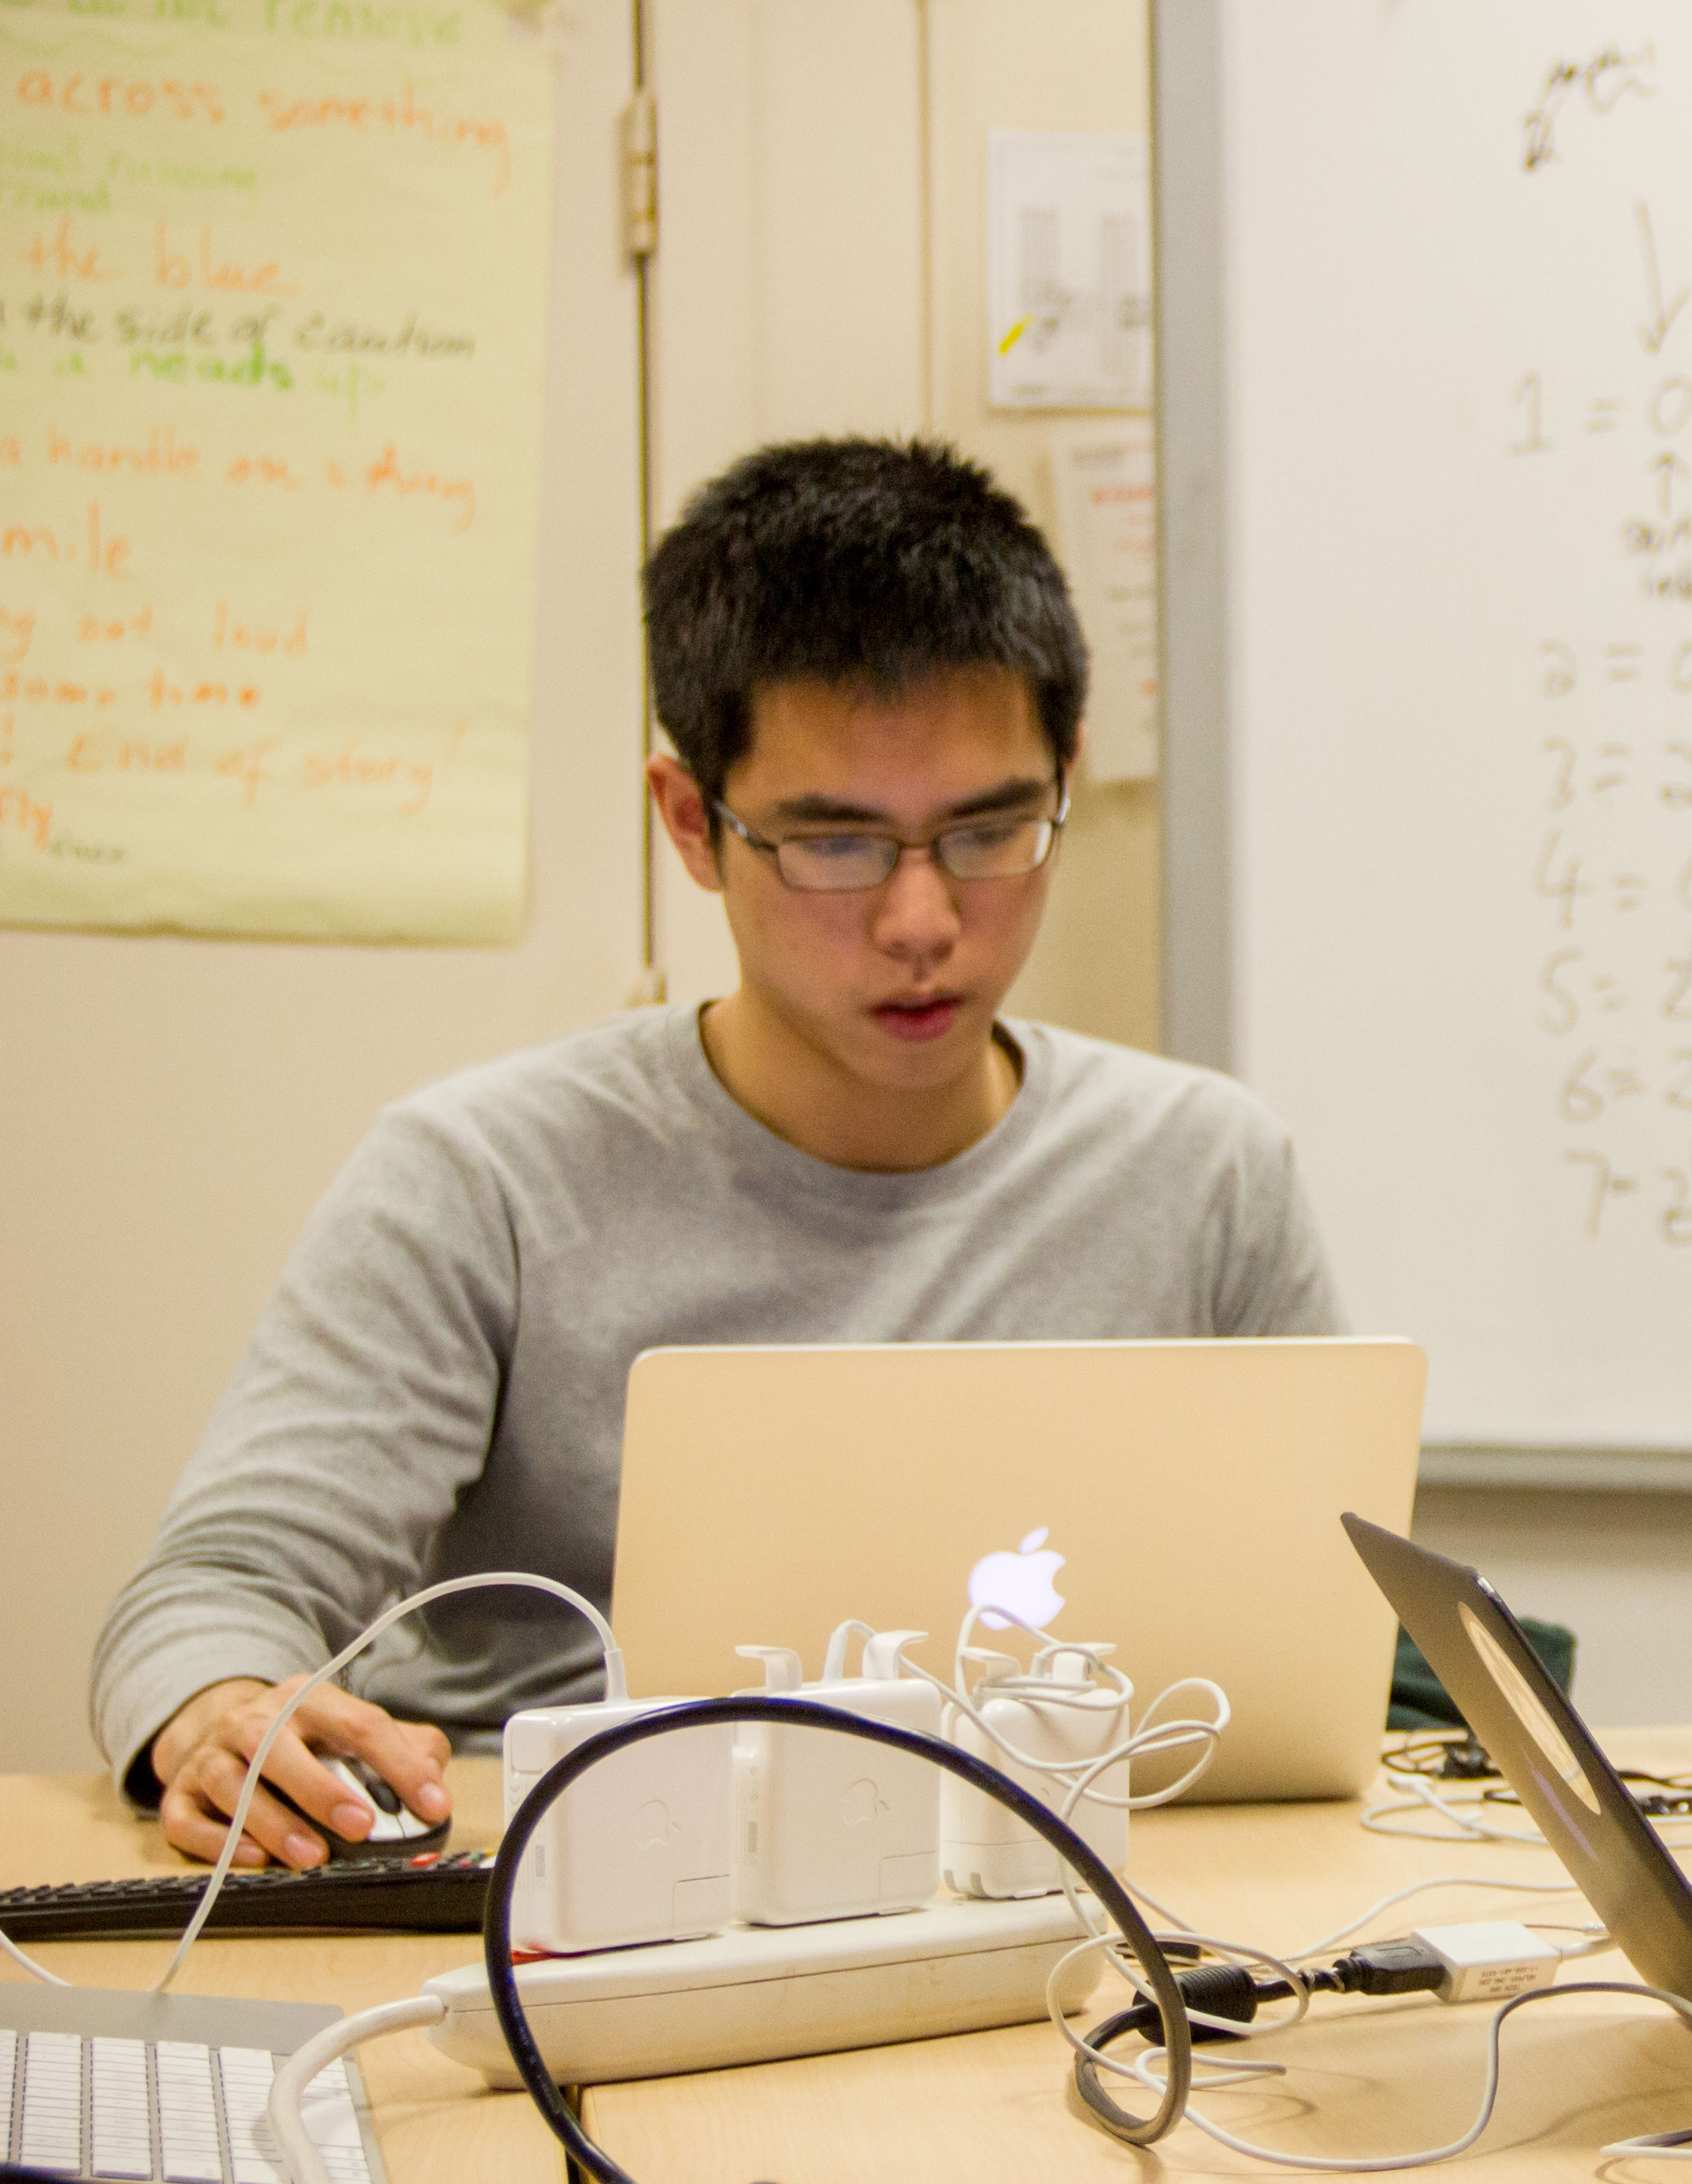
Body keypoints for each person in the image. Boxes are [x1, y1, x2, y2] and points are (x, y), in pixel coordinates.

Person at [91, 437, 1341, 1870]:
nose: (924, 922)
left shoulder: (1207, 1171)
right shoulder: (485, 1175)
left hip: (1080, 1899)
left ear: (1065, 777)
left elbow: (1321, 1654)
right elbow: (219, 1585)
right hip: (590, 1893)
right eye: (837, 845)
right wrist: (218, 1707)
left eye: (991, 830)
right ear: (694, 823)